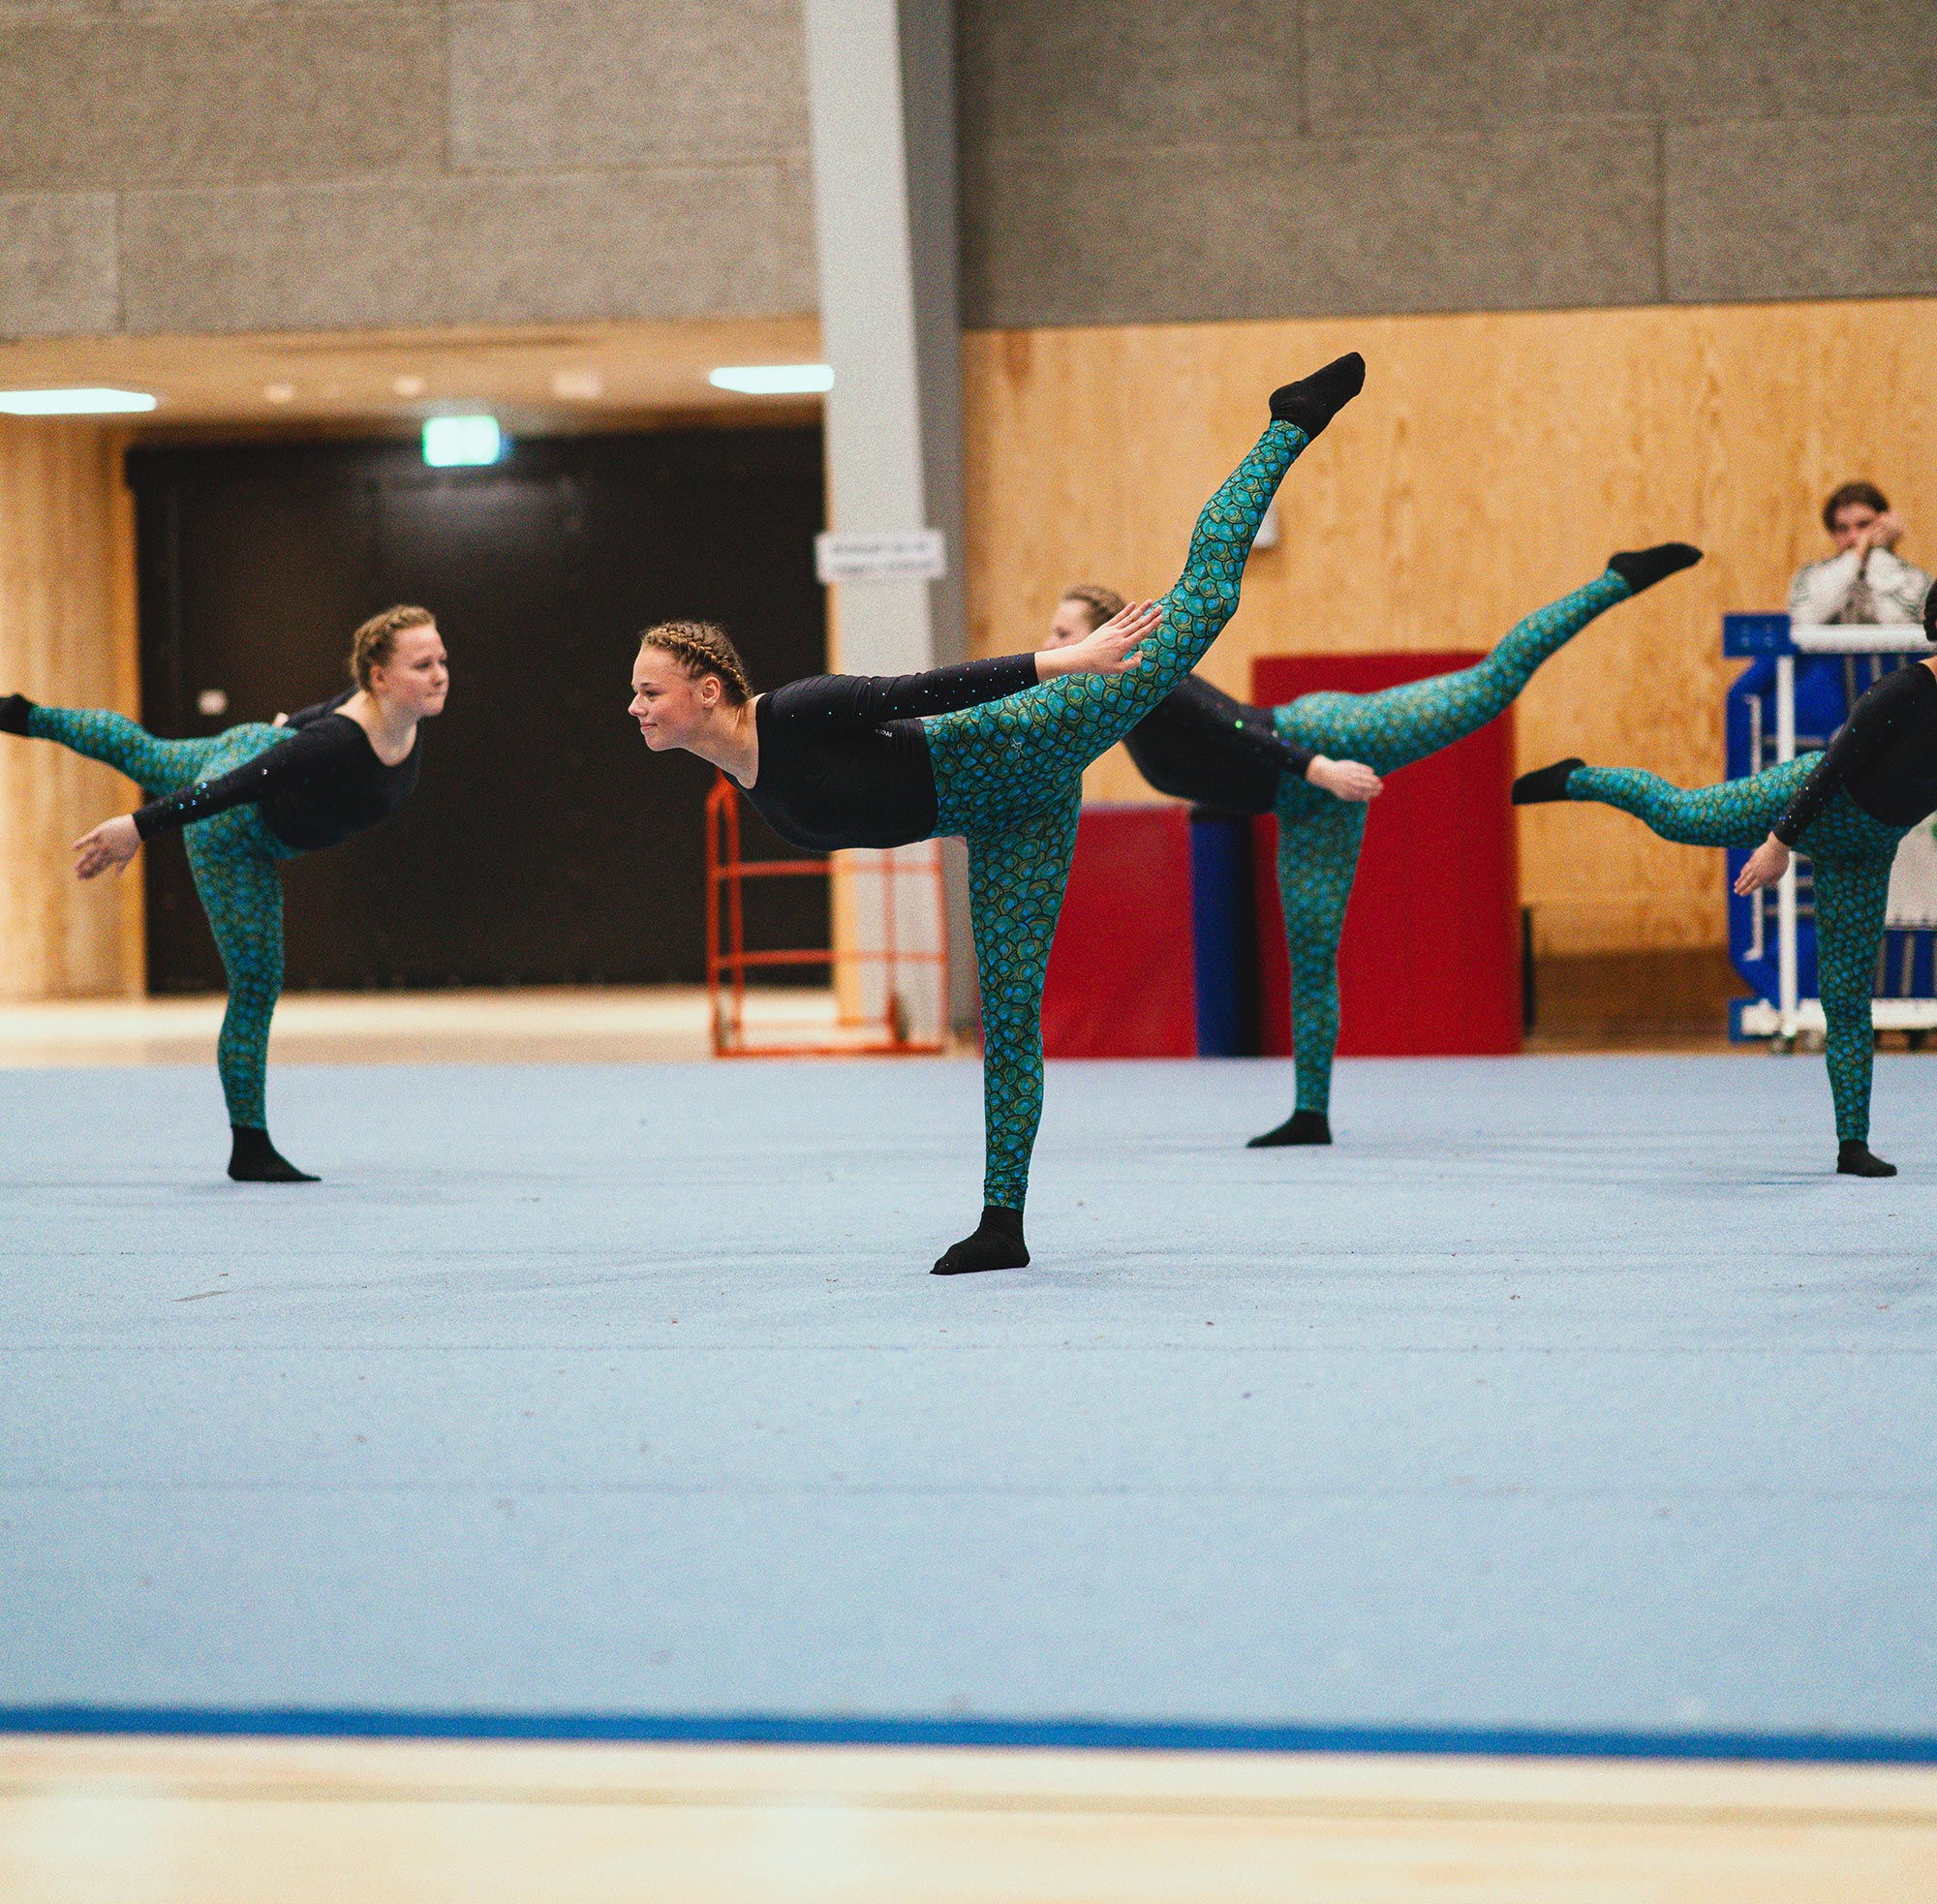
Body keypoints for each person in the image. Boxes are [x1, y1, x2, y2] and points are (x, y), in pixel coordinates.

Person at [630, 353, 1367, 1276]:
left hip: (1016, 741)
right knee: (1010, 1015)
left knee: (1202, 605)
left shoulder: (796, 713)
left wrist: (1061, 663)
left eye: (649, 691)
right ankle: (1002, 1224)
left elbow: (921, 687)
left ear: (707, 690)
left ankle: (1287, 424)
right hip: (1011, 823)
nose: (635, 707)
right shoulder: (745, 782)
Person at [1041, 545, 1702, 1147]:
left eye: (1063, 633)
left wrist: (1318, 767)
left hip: (1324, 741)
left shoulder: (1149, 673)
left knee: (1489, 685)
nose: (1049, 644)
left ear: (1107, 632)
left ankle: (1615, 580)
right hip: (1302, 801)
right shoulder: (1104, 705)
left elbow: (1235, 724)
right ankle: (1311, 1112)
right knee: (1312, 957)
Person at [1, 606, 447, 1182]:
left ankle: (20, 714)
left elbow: (320, 712)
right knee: (257, 983)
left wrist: (288, 728)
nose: (439, 675)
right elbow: (231, 789)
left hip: (253, 745)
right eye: (422, 665)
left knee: (143, 752)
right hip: (234, 828)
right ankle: (250, 1147)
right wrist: (137, 827)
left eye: (441, 660)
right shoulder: (337, 743)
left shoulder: (395, 712)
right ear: (380, 679)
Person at [1513, 585, 1937, 1178]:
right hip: (1803, 800)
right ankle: (1578, 778)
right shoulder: (1902, 692)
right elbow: (1832, 766)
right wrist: (1777, 843)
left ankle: (1852, 1145)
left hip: (1867, 849)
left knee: (1845, 998)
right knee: (1680, 816)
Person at [1790, 481, 1927, 630]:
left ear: (1884, 524)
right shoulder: (1809, 576)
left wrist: (1881, 551)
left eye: (1863, 525)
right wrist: (1855, 557)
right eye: (1843, 528)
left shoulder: (1915, 578)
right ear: (1833, 534)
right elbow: (1803, 622)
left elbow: (1898, 624)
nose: (1853, 537)